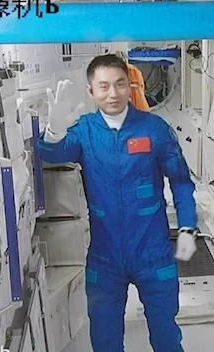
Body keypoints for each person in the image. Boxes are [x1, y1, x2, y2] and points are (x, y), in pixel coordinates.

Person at [38, 54, 198, 352]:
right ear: (91, 92)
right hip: (105, 257)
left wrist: (188, 227)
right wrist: (54, 131)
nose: (113, 94)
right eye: (104, 86)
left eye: (120, 84)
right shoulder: (85, 131)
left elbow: (181, 181)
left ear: (130, 86)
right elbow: (54, 153)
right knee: (105, 340)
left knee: (166, 337)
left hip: (153, 253)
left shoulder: (154, 129)